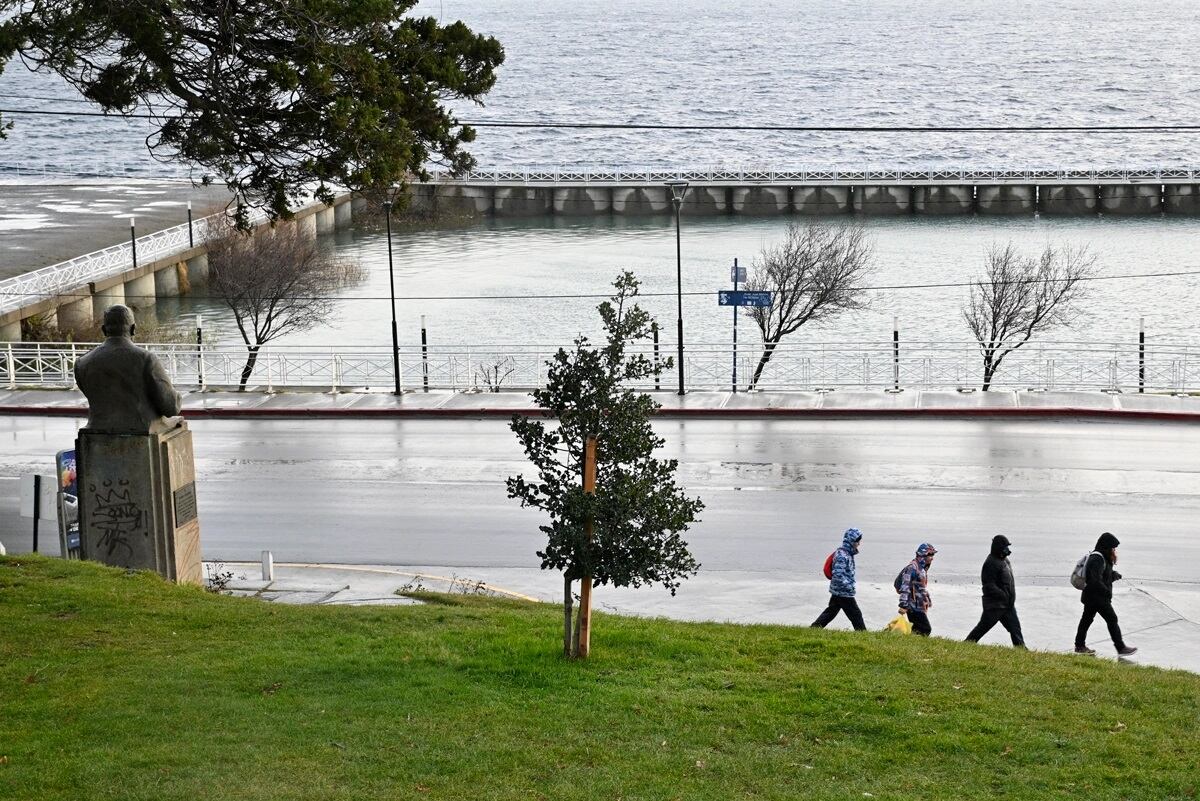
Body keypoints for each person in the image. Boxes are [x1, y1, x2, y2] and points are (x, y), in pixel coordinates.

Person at [74, 304, 182, 433]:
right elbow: (171, 408)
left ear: (103, 330)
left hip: (96, 431)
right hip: (142, 429)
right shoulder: (146, 359)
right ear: (133, 329)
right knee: (179, 424)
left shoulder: (81, 363)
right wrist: (177, 397)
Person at [1075, 532, 1137, 657]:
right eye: (1113, 548)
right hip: (1097, 597)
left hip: (1092, 597)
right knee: (1112, 619)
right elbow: (1095, 580)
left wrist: (1114, 575)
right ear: (1106, 546)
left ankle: (1079, 645)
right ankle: (1120, 647)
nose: (1114, 551)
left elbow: (1103, 576)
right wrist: (1106, 592)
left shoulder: (1102, 557)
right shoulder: (1097, 558)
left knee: (1086, 620)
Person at [965, 535, 1025, 647]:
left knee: (1015, 628)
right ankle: (966, 645)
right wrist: (1003, 595)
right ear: (998, 547)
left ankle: (1022, 650)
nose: (1008, 549)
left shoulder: (1006, 561)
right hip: (995, 606)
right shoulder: (990, 563)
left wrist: (1009, 599)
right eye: (1005, 546)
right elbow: (988, 586)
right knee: (983, 627)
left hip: (1008, 605)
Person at [811, 528, 866, 631]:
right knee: (856, 614)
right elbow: (838, 574)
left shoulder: (847, 553)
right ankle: (863, 634)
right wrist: (849, 586)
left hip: (838, 590)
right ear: (851, 541)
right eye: (857, 541)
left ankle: (814, 628)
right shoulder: (842, 555)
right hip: (843, 591)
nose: (859, 543)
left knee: (831, 611)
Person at [897, 543, 937, 636]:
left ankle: (911, 645)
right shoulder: (912, 568)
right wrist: (903, 605)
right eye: (930, 555)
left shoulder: (922, 568)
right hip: (912, 606)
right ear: (923, 555)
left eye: (933, 555)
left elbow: (920, 587)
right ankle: (912, 644)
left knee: (917, 629)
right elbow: (905, 586)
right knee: (926, 629)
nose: (932, 558)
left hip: (919, 605)